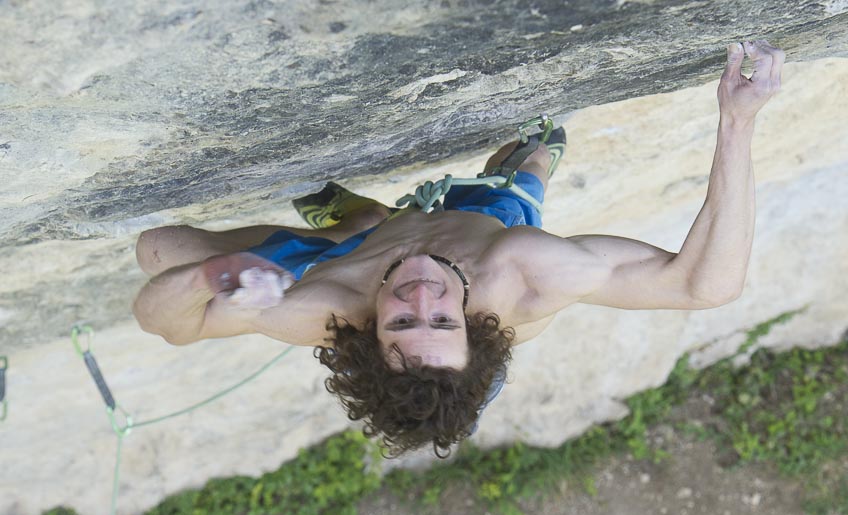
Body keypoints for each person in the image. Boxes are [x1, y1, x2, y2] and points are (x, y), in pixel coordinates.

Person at [133, 40, 785, 458]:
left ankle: (353, 223)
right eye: (441, 319)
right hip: (478, 227)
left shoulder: (324, 308)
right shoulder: (524, 274)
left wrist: (213, 278)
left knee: (160, 251)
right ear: (473, 322)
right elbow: (708, 285)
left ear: (364, 329)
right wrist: (737, 122)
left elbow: (166, 324)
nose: (420, 295)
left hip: (361, 255)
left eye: (403, 320)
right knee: (529, 155)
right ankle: (517, 171)